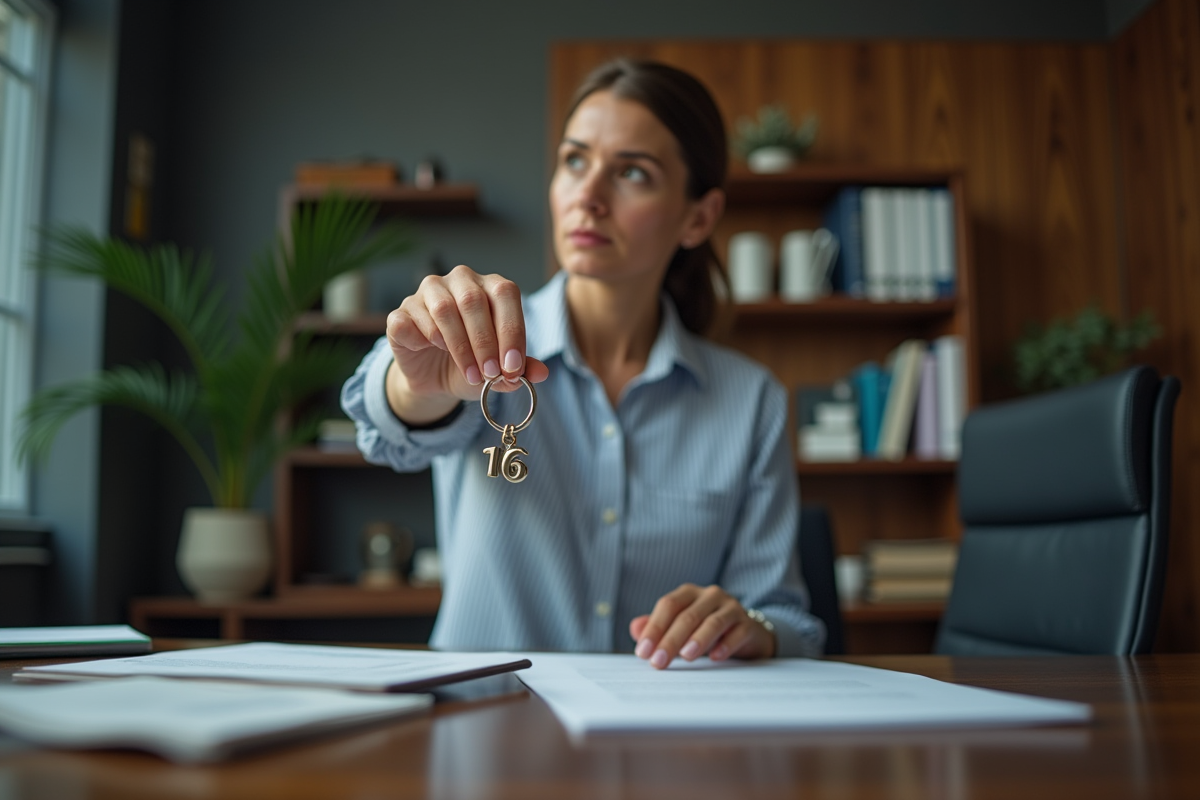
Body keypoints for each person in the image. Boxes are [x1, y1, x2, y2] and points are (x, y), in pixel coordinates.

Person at [341, 58, 824, 667]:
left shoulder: (751, 401)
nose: (587, 197)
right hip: (483, 714)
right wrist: (417, 387)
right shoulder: (474, 343)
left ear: (698, 217)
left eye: (632, 172)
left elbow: (790, 621)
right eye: (574, 161)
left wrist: (752, 627)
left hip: (661, 720)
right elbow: (385, 424)